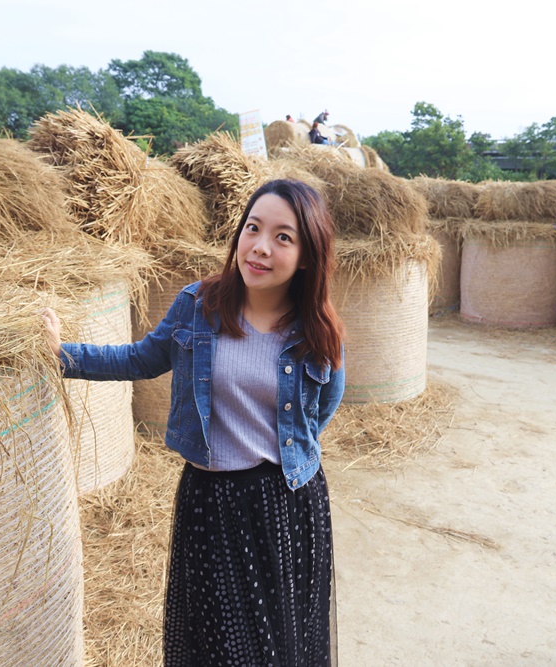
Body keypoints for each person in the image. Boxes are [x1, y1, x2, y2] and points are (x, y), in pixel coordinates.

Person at [40, 179, 346, 666]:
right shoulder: (200, 305)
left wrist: (287, 447)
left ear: (307, 255)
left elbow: (325, 402)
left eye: (283, 237)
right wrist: (62, 356)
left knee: (282, 650)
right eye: (253, 229)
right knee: (218, 649)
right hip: (211, 503)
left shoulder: (315, 327)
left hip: (287, 501)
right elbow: (142, 359)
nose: (260, 248)